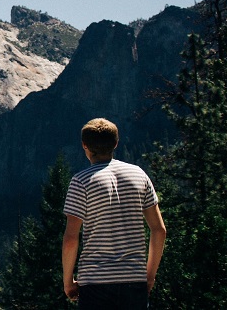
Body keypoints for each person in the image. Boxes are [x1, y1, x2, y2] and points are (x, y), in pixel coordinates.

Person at [61, 118, 166, 309]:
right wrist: (148, 276)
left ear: (84, 145)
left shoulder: (81, 182)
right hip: (134, 283)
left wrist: (68, 281)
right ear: (116, 143)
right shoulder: (139, 175)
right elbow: (159, 230)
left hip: (95, 284)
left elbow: (71, 238)